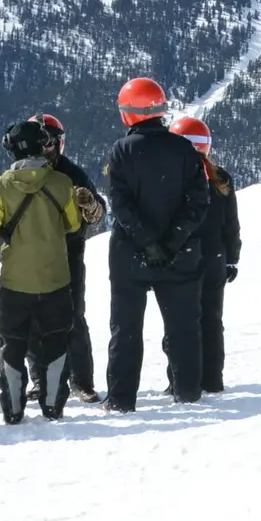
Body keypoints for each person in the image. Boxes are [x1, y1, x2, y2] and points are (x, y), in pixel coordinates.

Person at [104, 77, 210, 412]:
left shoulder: (122, 151)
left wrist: (147, 242)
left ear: (129, 113)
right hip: (180, 255)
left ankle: (121, 400)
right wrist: (170, 241)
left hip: (130, 254)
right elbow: (198, 202)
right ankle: (188, 393)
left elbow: (120, 205)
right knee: (183, 329)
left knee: (127, 330)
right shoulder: (183, 148)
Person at [0, 118, 84, 423]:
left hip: (14, 283)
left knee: (12, 345)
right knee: (55, 342)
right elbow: (74, 224)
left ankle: (12, 408)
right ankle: (52, 405)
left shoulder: (0, 186)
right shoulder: (61, 183)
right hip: (56, 281)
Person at [31, 112, 105, 404]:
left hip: (68, 254)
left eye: (48, 143)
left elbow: (99, 215)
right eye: (38, 143)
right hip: (32, 255)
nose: (44, 149)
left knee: (73, 317)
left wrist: (91, 206)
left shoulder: (73, 174)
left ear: (59, 143)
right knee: (33, 320)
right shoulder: (20, 174)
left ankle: (82, 381)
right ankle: (39, 380)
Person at [170, 116, 241, 394]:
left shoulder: (173, 179)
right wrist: (232, 259)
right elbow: (230, 224)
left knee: (181, 321)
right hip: (215, 260)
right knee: (211, 320)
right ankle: (212, 379)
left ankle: (179, 379)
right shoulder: (220, 177)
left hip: (183, 258)